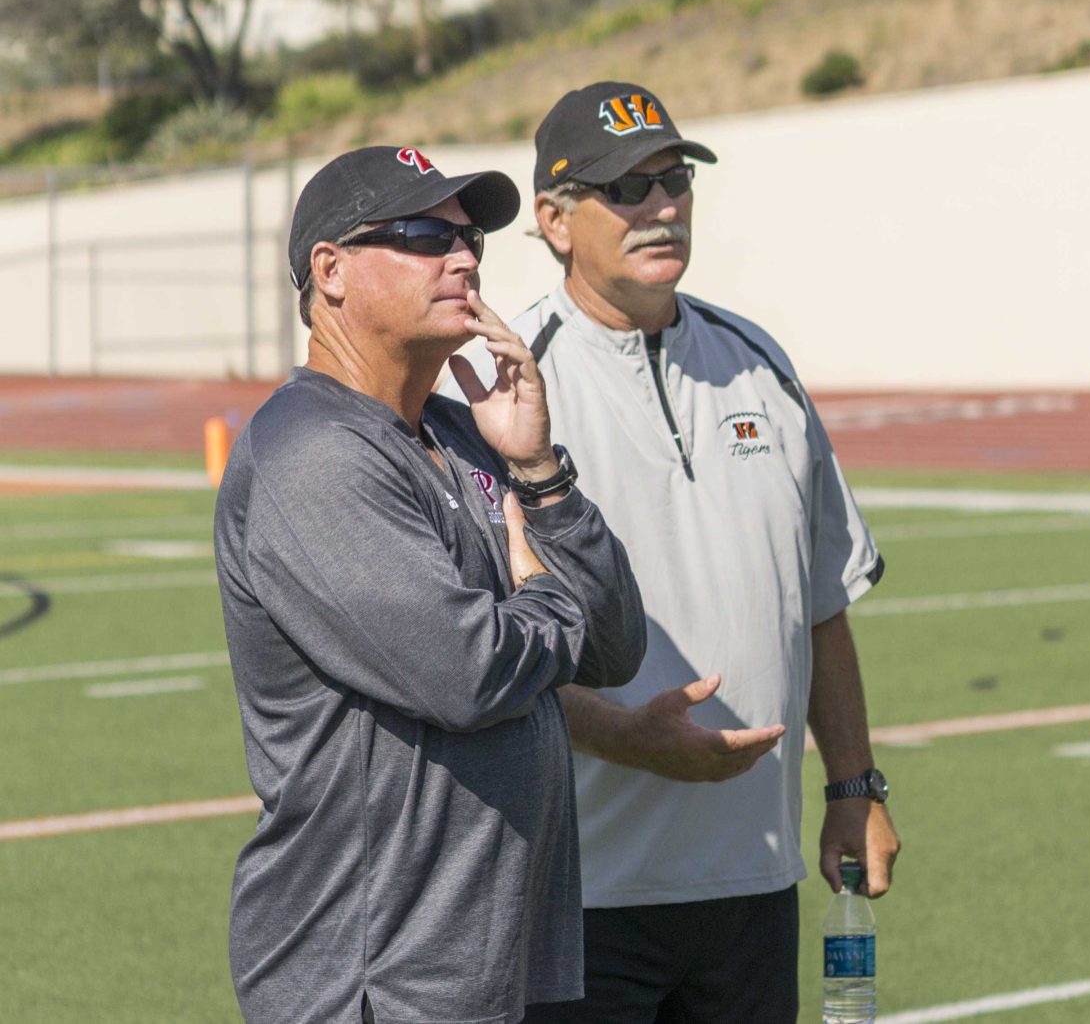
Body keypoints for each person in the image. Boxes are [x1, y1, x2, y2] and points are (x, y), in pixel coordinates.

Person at [442, 83, 901, 1022]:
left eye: (673, 180)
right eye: (627, 188)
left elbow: (818, 601)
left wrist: (853, 784)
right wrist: (623, 737)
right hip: (580, 895)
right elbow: (475, 647)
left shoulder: (759, 360)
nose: (661, 207)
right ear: (555, 221)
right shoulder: (504, 378)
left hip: (753, 879)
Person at [214, 145, 646, 1024]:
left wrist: (540, 472)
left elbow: (612, 648)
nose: (464, 259)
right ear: (329, 272)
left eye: (472, 238)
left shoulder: (465, 430)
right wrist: (543, 597)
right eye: (422, 235)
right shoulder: (312, 454)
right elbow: (470, 672)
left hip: (492, 965)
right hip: (376, 977)